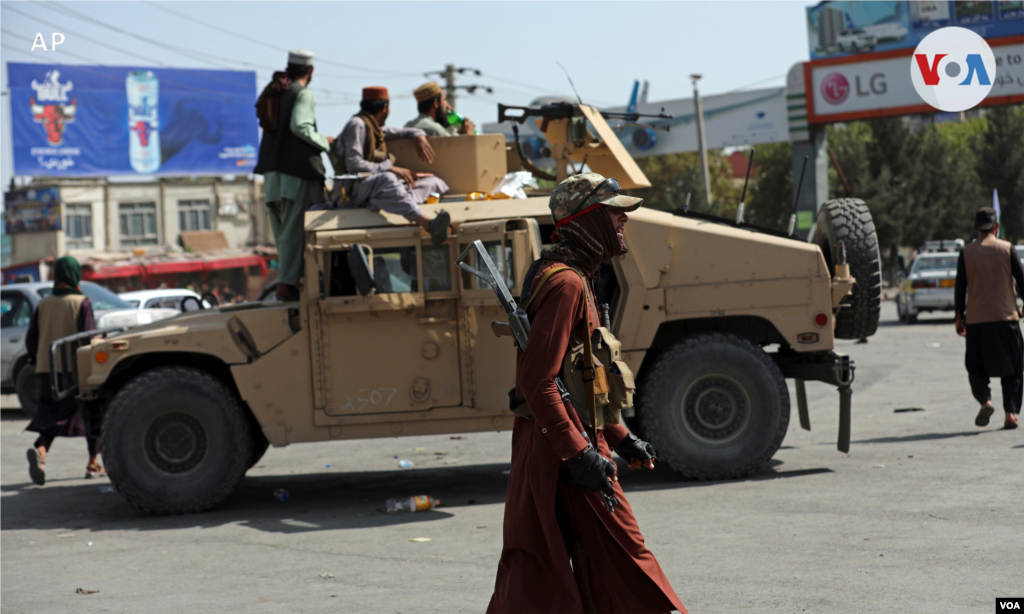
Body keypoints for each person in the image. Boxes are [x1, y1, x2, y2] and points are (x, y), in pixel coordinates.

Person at [487, 173, 685, 614]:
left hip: (564, 438)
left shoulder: (570, 274)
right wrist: (579, 455)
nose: (622, 223)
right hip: (561, 444)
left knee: (580, 565)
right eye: (614, 215)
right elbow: (538, 380)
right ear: (588, 221)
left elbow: (580, 376)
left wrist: (619, 435)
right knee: (611, 557)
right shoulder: (567, 283)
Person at [254, 49, 333, 301]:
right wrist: (325, 142)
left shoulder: (277, 92)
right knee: (295, 233)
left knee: (284, 237)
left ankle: (288, 285)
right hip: (294, 175)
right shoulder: (303, 93)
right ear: (311, 71)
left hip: (272, 176)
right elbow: (300, 126)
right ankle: (286, 288)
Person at [332, 86, 451, 245]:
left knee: (433, 182)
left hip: (371, 188)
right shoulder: (358, 124)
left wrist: (419, 136)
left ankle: (389, 201)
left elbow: (406, 131)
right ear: (385, 107)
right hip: (352, 189)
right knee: (387, 179)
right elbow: (354, 164)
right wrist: (390, 168)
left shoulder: (373, 128)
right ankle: (427, 224)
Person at [24, 257, 100, 485]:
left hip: (47, 371)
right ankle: (93, 462)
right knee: (92, 413)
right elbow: (87, 338)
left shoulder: (43, 304)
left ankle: (41, 452)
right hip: (74, 371)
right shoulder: (81, 303)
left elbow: (31, 339)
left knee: (51, 415)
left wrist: (38, 361)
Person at [955, 206, 1024, 430]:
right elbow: (1022, 281)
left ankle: (985, 400)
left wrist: (959, 316)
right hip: (1006, 319)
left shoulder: (966, 253)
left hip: (976, 321)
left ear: (975, 228)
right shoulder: (1007, 248)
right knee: (1013, 368)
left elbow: (960, 288)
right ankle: (1011, 413)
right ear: (996, 227)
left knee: (976, 366)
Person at [404, 81, 476, 137]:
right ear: (435, 103)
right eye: (444, 100)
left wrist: (449, 123)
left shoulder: (407, 126)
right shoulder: (436, 130)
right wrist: (468, 137)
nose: (447, 106)